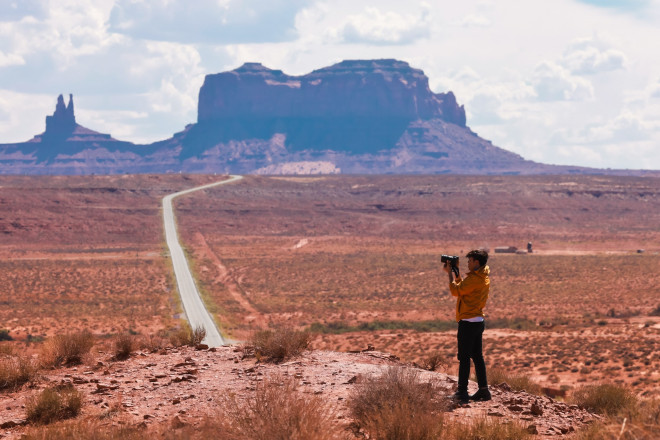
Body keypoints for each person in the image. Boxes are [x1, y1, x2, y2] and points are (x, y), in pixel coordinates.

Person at [443, 249, 491, 404]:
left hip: (468, 322)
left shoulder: (474, 280)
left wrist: (449, 274)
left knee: (464, 357)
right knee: (477, 356)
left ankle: (462, 392)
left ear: (476, 262)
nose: (468, 264)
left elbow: (456, 291)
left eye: (470, 261)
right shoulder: (482, 277)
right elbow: (464, 288)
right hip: (477, 321)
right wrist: (457, 275)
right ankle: (483, 390)